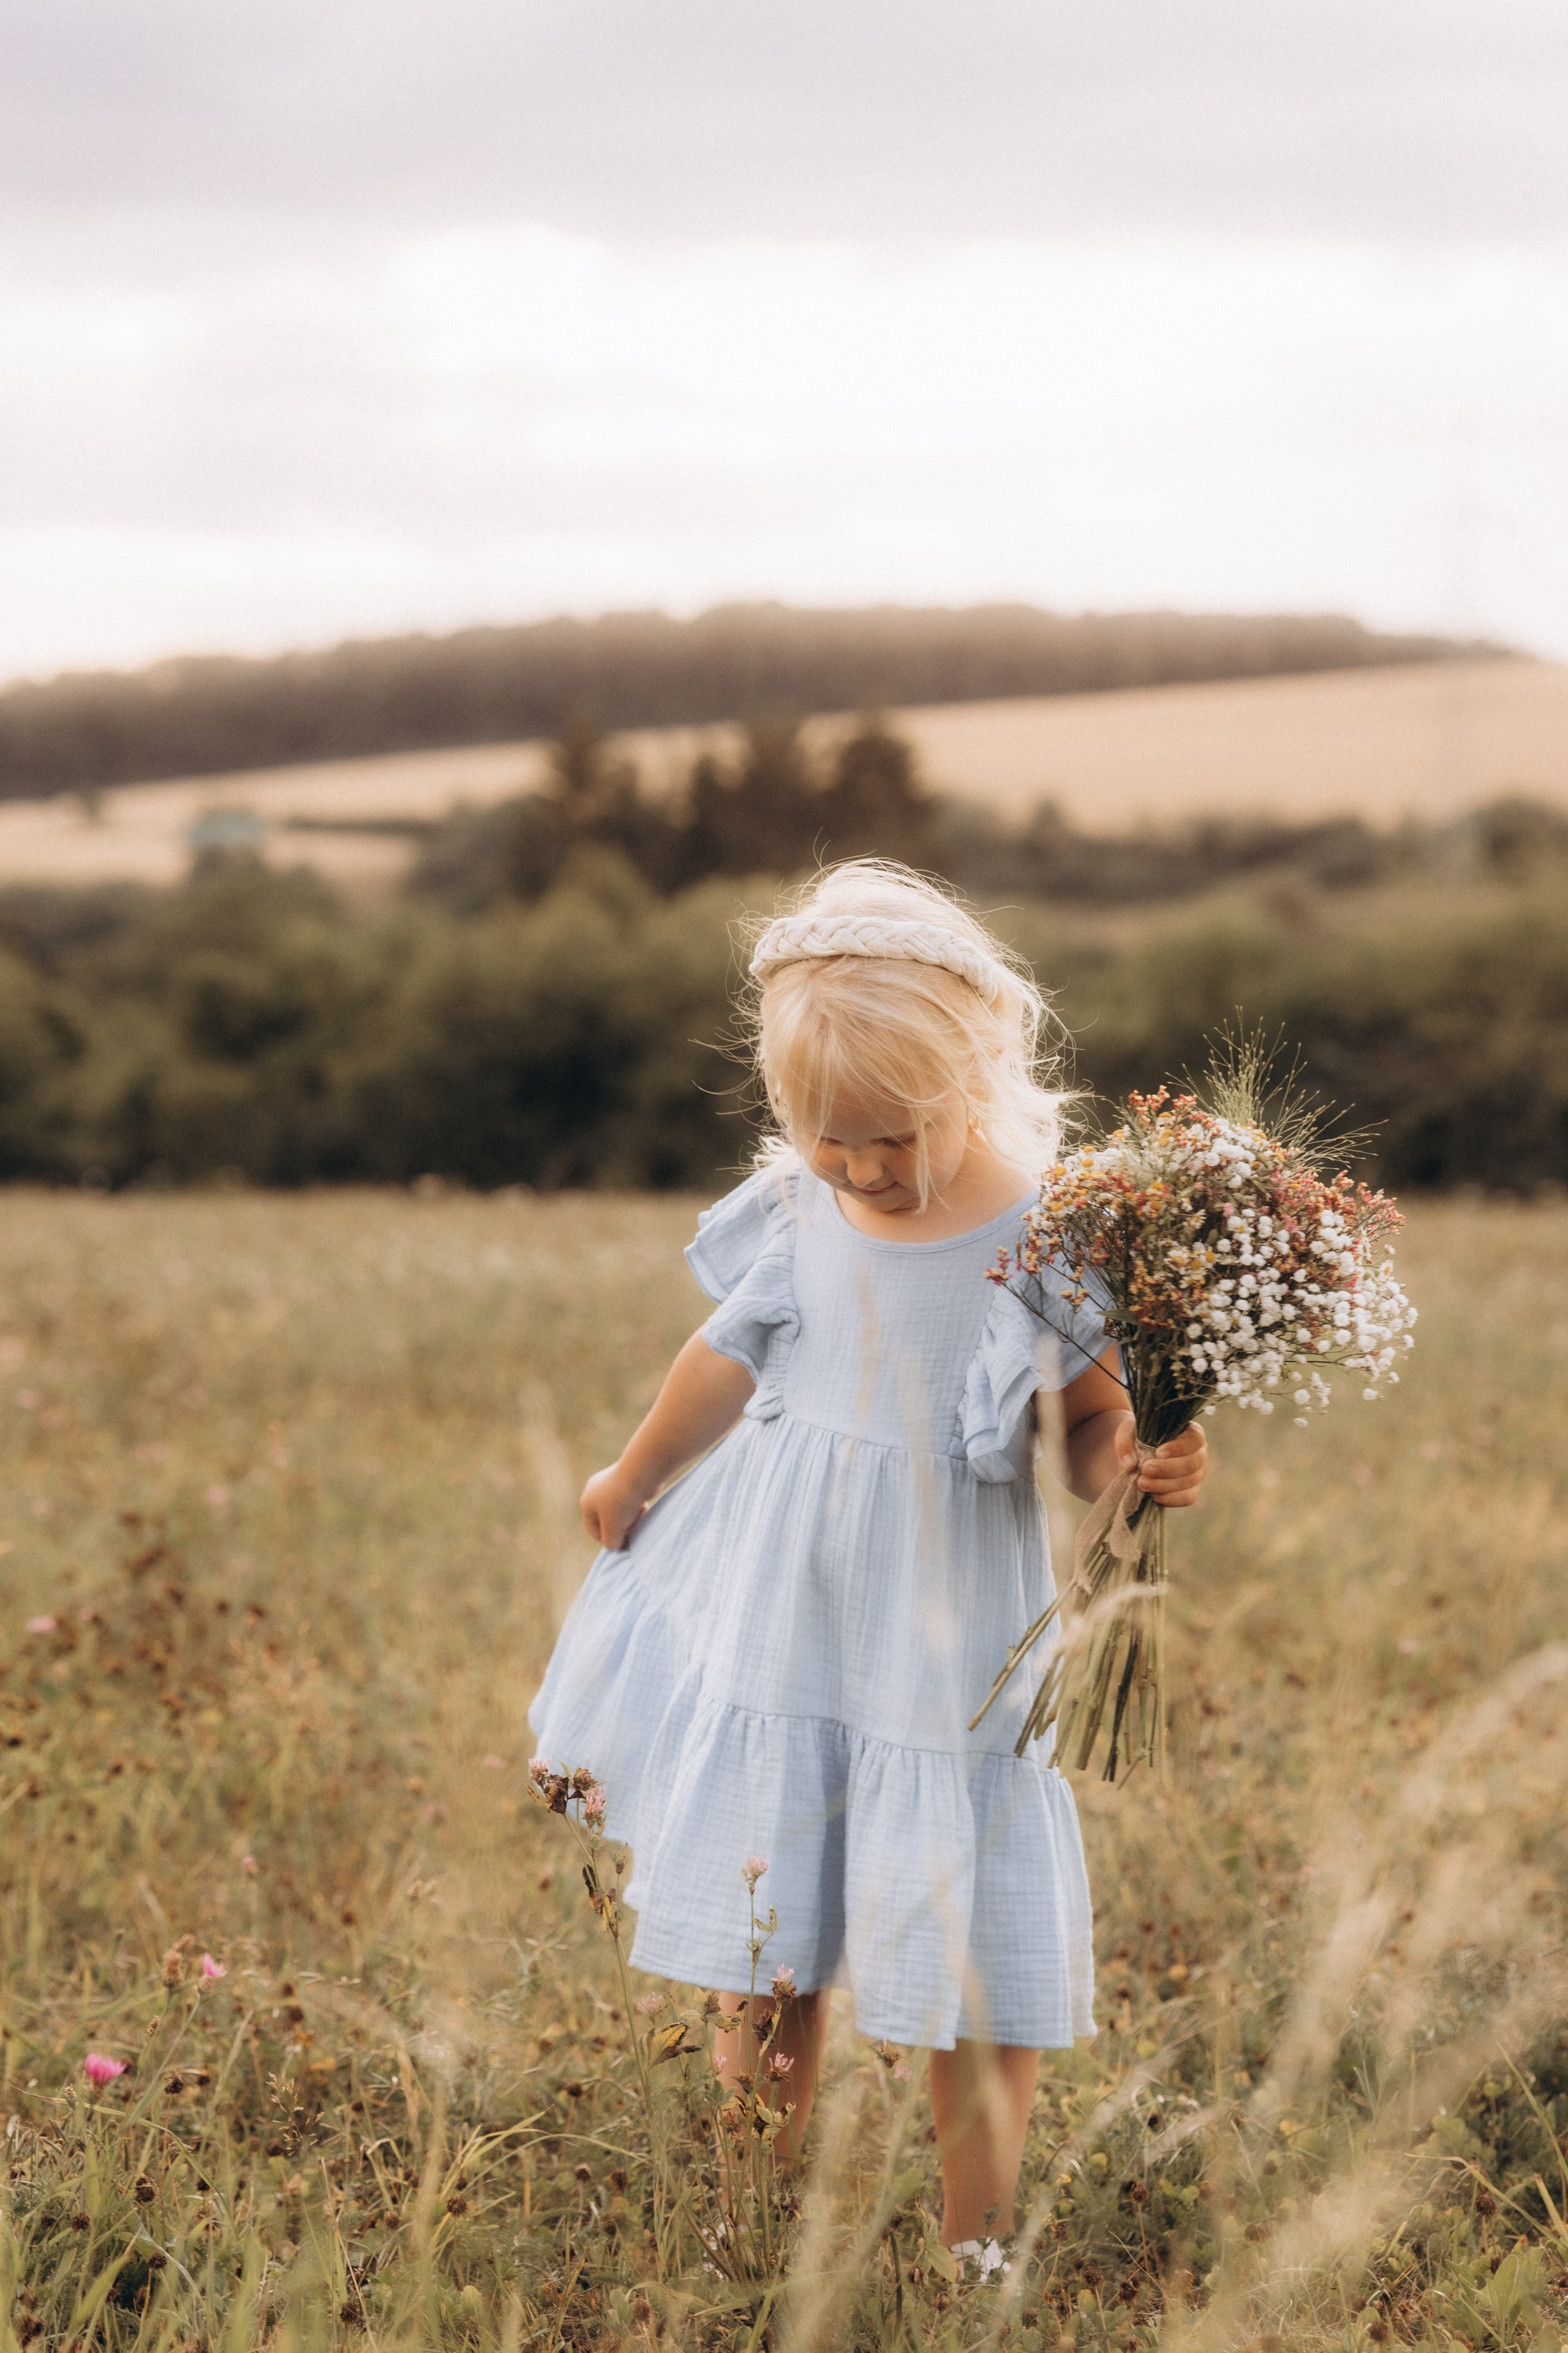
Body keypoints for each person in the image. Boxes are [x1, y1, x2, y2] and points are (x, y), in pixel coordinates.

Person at [529, 859, 1208, 2270]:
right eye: (826, 1139)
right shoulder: (798, 1210)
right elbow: (721, 1360)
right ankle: (747, 2218)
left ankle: (977, 2246)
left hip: (948, 1626)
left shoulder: (1050, 1235)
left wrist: (1136, 1456)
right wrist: (632, 1473)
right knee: (767, 1944)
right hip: (788, 1601)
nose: (858, 1171)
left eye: (888, 1140)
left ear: (978, 1070)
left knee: (975, 1959)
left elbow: (1081, 1426)